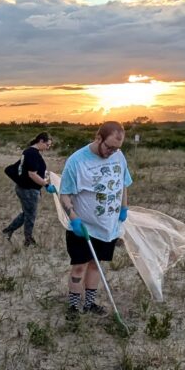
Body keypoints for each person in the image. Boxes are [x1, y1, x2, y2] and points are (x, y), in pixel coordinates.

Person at [55, 120, 133, 313]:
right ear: (98, 138)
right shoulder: (77, 161)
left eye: (116, 149)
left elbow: (123, 182)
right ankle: (73, 306)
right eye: (109, 147)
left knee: (96, 265)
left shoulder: (119, 156)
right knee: (79, 267)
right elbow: (64, 193)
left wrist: (124, 207)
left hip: (108, 226)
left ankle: (89, 303)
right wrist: (73, 217)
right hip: (84, 228)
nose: (112, 152)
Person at [1, 131, 53, 246]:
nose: (48, 147)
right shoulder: (32, 153)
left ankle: (8, 231)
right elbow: (32, 174)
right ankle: (28, 239)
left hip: (27, 188)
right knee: (30, 215)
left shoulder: (30, 152)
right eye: (47, 145)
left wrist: (44, 177)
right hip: (28, 190)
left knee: (27, 213)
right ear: (41, 141)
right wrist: (46, 185)